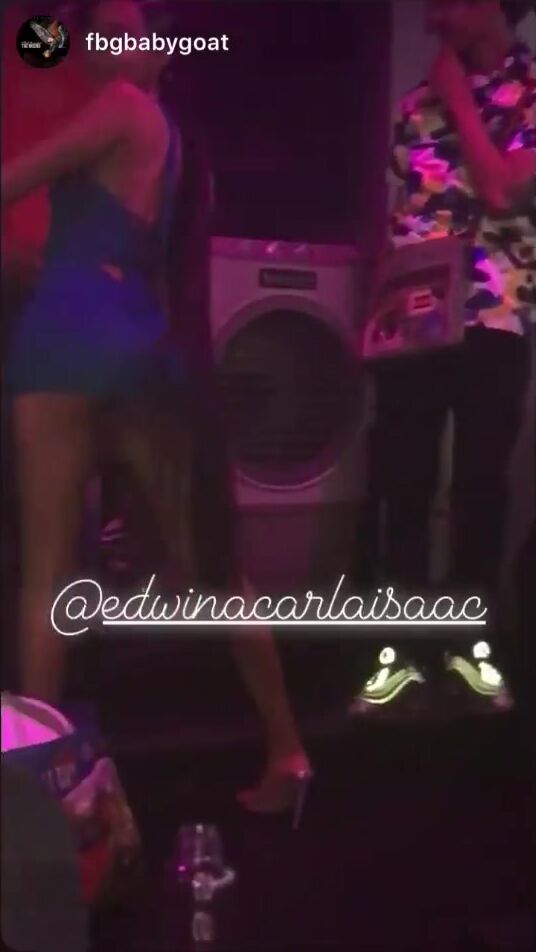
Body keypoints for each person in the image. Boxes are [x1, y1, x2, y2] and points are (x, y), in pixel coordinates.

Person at [2, 0, 310, 818]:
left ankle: (37, 802)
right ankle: (288, 748)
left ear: (158, 52)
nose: (108, 44)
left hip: (65, 342)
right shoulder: (174, 145)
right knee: (214, 566)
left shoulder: (118, 107)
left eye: (124, 31)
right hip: (141, 342)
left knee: (45, 578)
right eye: (99, 33)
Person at [352, 0, 535, 713]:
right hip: (413, 320)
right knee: (402, 482)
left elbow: (502, 190)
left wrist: (459, 98)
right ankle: (398, 651)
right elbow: (402, 216)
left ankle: (470, 650)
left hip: (494, 313)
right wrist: (374, 318)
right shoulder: (414, 103)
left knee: (480, 486)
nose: (435, 17)